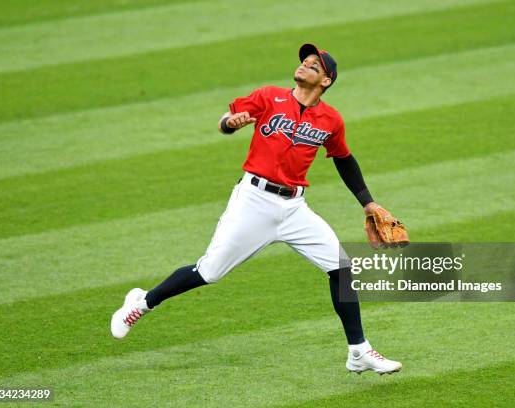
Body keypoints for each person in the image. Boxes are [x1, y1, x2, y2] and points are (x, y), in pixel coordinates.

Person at [111, 43, 402, 375]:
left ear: (326, 81)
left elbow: (344, 159)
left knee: (341, 268)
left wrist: (368, 202)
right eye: (305, 61)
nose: (305, 65)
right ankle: (140, 304)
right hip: (253, 201)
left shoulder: (331, 120)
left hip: (294, 208)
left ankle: (358, 351)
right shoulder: (269, 97)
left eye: (314, 65)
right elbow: (226, 120)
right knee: (210, 271)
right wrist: (230, 124)